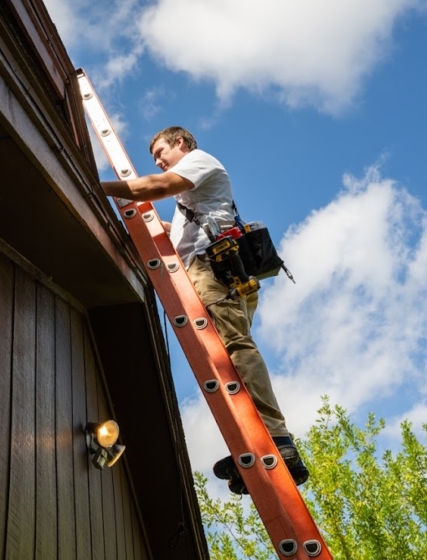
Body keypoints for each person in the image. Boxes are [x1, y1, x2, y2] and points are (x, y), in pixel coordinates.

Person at [100, 126, 309, 492]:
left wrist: (99, 186)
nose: (159, 161)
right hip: (213, 269)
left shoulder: (199, 162)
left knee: (235, 349)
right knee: (224, 361)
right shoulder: (193, 197)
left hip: (213, 269)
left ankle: (277, 438)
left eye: (161, 152)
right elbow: (180, 227)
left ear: (181, 143)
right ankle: (254, 441)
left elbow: (156, 187)